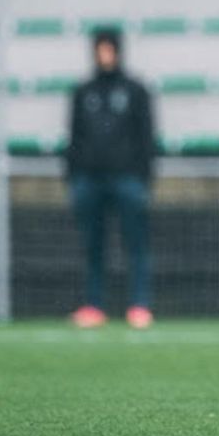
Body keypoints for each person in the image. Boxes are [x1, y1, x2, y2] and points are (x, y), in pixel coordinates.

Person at [65, 28, 157, 329]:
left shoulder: (135, 90)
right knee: (93, 245)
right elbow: (74, 137)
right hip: (90, 180)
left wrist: (144, 178)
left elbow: (146, 137)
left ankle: (139, 305)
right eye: (100, 49)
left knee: (136, 244)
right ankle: (94, 306)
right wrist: (74, 177)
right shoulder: (84, 91)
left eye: (109, 49)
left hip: (127, 180)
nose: (105, 55)